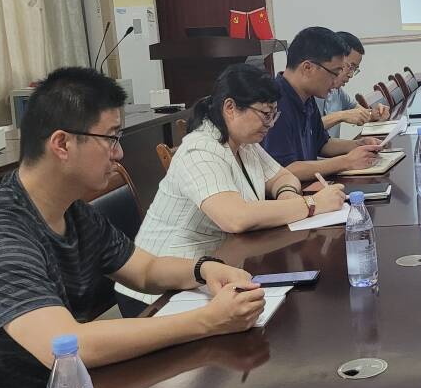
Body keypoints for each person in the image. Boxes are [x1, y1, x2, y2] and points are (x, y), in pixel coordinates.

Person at [0, 67, 269, 388]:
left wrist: (204, 268)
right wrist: (208, 322)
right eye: (111, 138)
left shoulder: (71, 211)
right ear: (62, 144)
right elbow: (67, 346)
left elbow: (145, 269)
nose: (119, 153)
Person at [120, 62, 346, 308]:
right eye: (265, 114)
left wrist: (287, 195)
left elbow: (284, 176)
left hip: (215, 270)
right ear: (230, 108)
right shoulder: (200, 150)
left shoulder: (244, 144)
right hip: (163, 289)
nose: (271, 124)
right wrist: (311, 204)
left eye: (274, 115)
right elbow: (236, 218)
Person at [262, 26, 386, 180]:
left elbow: (322, 144)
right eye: (334, 73)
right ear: (308, 68)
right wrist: (346, 162)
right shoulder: (275, 102)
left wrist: (359, 145)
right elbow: (284, 170)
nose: (335, 81)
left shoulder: (307, 96)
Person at [317, 31, 389, 138]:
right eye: (350, 67)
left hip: (335, 148)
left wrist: (374, 114)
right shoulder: (309, 91)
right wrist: (341, 116)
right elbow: (305, 130)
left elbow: (359, 111)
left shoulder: (337, 91)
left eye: (355, 69)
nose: (351, 75)